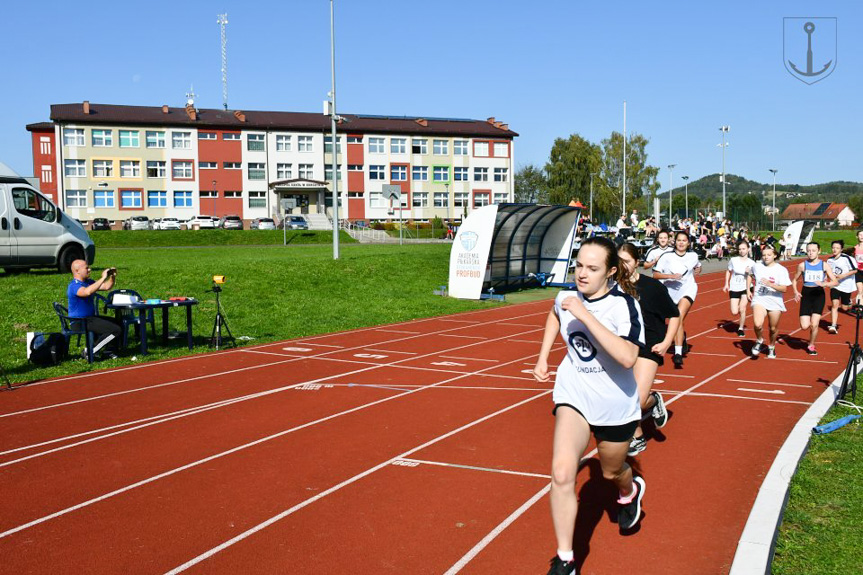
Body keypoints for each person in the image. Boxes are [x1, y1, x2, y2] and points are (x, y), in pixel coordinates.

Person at [533, 237, 646, 575]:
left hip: (614, 404)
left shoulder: (624, 305)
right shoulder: (566, 296)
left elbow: (628, 357)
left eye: (592, 268)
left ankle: (630, 490)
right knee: (562, 472)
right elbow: (555, 314)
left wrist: (584, 314)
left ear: (611, 272)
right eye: (579, 265)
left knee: (612, 470)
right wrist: (543, 358)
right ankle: (566, 559)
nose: (582, 274)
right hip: (574, 393)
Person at [618, 243, 680, 456]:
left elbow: (674, 315)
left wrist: (666, 343)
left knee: (638, 400)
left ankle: (654, 400)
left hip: (648, 346)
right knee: (624, 398)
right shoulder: (611, 287)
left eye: (626, 261)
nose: (622, 266)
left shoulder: (653, 288)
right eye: (618, 261)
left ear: (636, 263)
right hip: (622, 346)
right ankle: (637, 436)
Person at [652, 230, 702, 367]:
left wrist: (699, 270)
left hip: (688, 289)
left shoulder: (693, 256)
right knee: (676, 321)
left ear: (688, 243)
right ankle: (682, 338)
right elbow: (655, 275)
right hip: (670, 292)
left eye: (684, 241)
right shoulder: (666, 256)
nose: (681, 243)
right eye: (679, 240)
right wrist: (670, 276)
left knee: (678, 316)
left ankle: (678, 354)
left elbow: (697, 266)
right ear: (675, 242)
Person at [67, 259, 122, 360]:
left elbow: (106, 286)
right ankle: (90, 351)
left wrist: (112, 276)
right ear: (77, 270)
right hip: (80, 321)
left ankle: (108, 351)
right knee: (115, 330)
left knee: (118, 323)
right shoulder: (74, 285)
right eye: (86, 268)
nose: (89, 269)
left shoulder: (88, 282)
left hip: (90, 319)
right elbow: (86, 292)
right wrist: (103, 277)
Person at [791, 242, 837, 356]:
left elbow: (835, 281)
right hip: (806, 294)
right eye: (809, 250)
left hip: (818, 295)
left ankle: (811, 344)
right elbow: (794, 280)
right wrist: (796, 292)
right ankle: (810, 338)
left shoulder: (824, 265)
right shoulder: (802, 265)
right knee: (804, 326)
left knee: (814, 324)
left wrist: (824, 284)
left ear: (819, 251)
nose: (811, 253)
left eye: (813, 250)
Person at [750, 244, 792, 359]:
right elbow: (749, 273)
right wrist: (748, 288)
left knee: (773, 328)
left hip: (775, 301)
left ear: (774, 255)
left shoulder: (781, 270)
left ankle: (772, 346)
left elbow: (784, 289)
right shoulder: (757, 266)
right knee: (758, 324)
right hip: (760, 299)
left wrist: (770, 284)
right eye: (764, 255)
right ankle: (759, 340)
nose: (766, 257)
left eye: (769, 255)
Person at [724, 240, 756, 336]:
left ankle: (741, 328)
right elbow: (728, 271)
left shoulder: (752, 263)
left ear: (748, 249)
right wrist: (726, 284)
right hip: (734, 287)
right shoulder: (733, 260)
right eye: (740, 249)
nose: (742, 251)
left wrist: (749, 273)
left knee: (742, 308)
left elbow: (755, 277)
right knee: (734, 312)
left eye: (744, 249)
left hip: (746, 287)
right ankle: (739, 321)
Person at [826, 240, 859, 333]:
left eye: (837, 248)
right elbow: (828, 272)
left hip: (846, 285)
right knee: (835, 304)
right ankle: (833, 325)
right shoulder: (829, 260)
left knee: (844, 308)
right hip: (835, 285)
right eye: (833, 248)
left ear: (841, 249)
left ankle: (848, 303)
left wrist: (843, 276)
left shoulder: (847, 258)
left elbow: (855, 270)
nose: (834, 250)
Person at [855, 229, 863, 305]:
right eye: (860, 235)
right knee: (860, 291)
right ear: (857, 236)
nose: (862, 236)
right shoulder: (855, 248)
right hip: (858, 272)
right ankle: (860, 309)